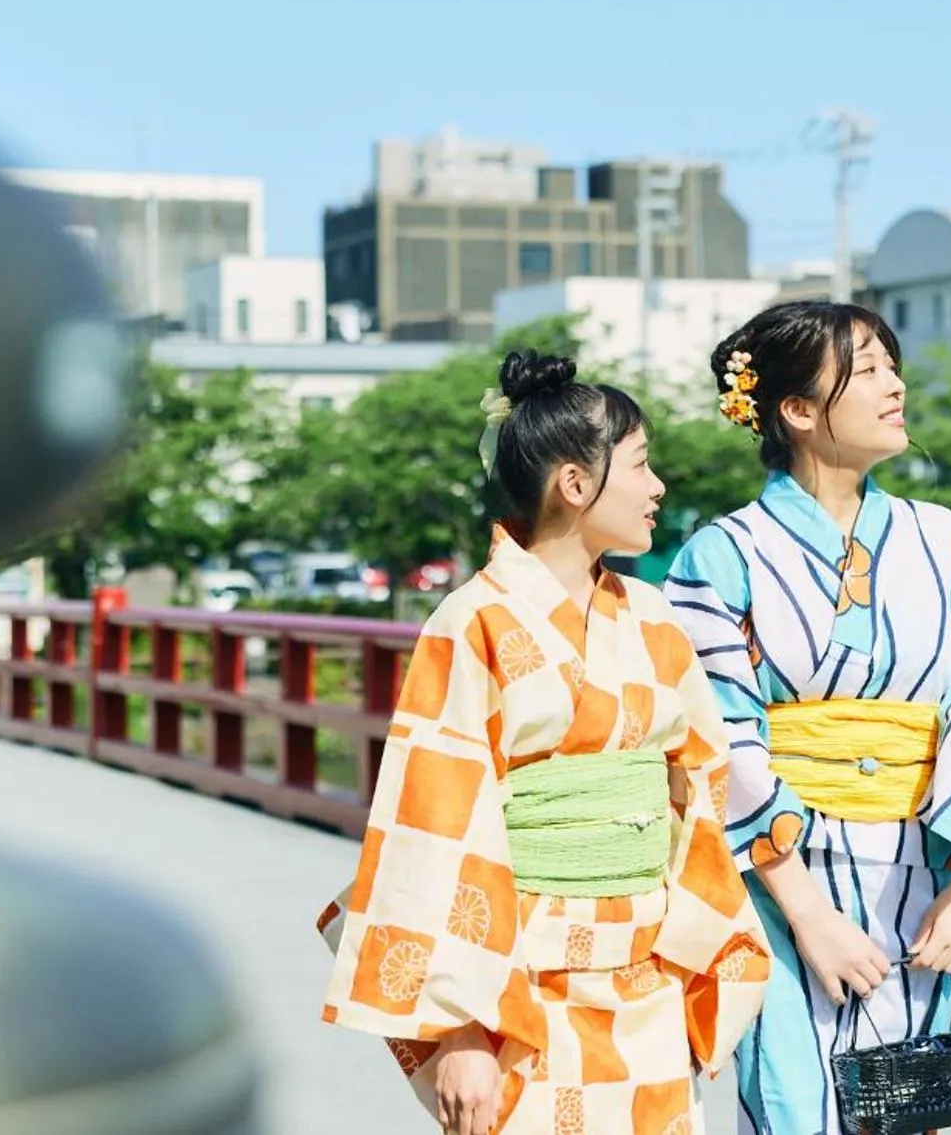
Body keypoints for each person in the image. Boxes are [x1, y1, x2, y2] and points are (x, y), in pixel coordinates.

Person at [318, 351, 770, 1135]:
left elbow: (700, 791)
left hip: (647, 979)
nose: (658, 486)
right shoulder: (473, 621)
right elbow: (437, 822)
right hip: (519, 988)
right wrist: (457, 1032)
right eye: (641, 464)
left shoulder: (655, 620)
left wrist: (702, 955)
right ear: (573, 482)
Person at [666, 302, 951, 1135]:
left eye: (891, 367)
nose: (896, 386)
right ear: (798, 411)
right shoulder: (720, 557)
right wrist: (808, 914)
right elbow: (723, 740)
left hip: (923, 871)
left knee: (909, 1110)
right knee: (796, 1102)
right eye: (867, 371)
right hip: (781, 879)